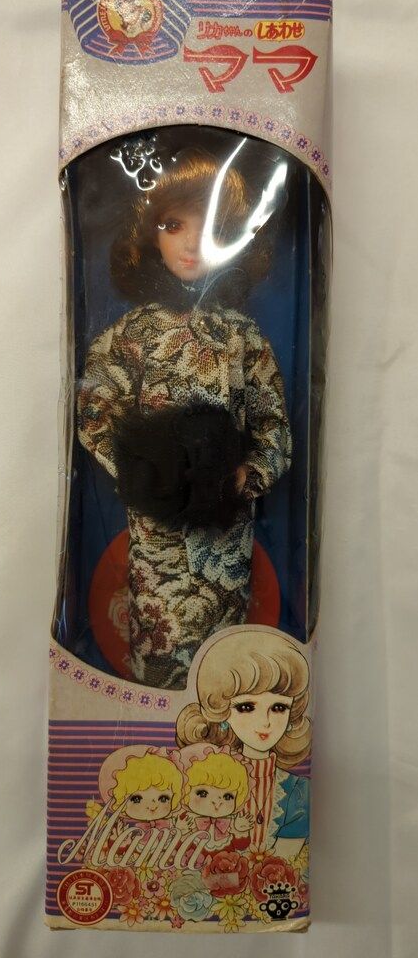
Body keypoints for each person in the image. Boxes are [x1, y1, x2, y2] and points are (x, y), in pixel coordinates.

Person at [78, 135, 291, 689]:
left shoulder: (243, 337)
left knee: (228, 670)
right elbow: (94, 412)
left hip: (225, 532)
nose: (193, 244)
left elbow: (274, 430)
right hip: (158, 537)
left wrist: (246, 477)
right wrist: (144, 472)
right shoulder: (131, 335)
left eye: (212, 227)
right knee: (158, 655)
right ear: (150, 233)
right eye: (174, 225)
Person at [176, 628, 310, 858]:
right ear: (221, 711)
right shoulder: (200, 781)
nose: (265, 722)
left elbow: (286, 865)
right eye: (246, 707)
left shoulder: (297, 792)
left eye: (279, 708)